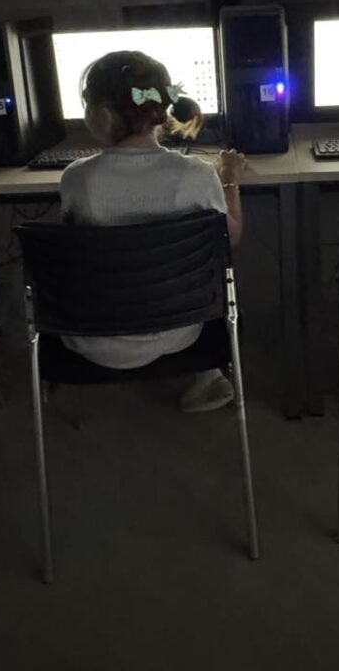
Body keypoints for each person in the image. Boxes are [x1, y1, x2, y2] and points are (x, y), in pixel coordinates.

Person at [59, 50, 247, 413]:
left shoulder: (77, 178)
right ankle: (207, 375)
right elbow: (231, 239)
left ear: (103, 114)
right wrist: (229, 181)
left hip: (93, 337)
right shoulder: (195, 175)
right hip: (180, 332)